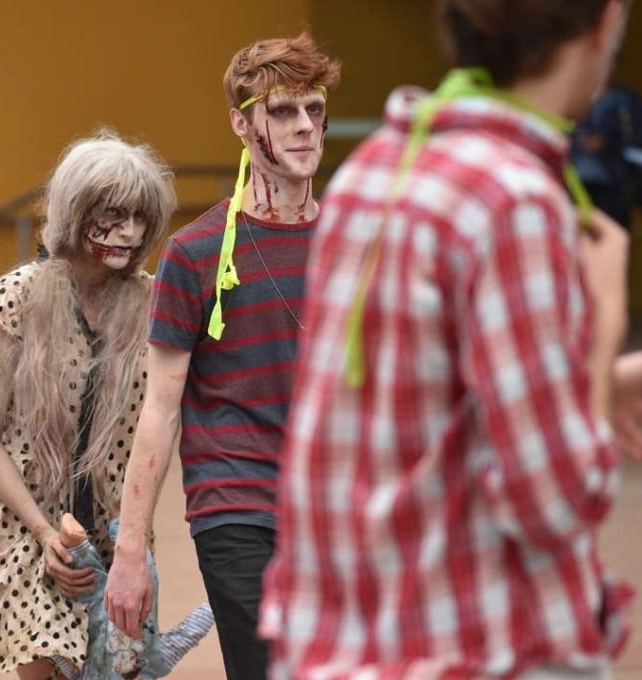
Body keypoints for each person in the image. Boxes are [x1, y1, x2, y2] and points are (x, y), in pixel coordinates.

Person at [259, 1, 635, 677]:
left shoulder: (375, 169)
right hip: (478, 650)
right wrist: (606, 320)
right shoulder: (515, 198)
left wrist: (584, 380)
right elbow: (555, 503)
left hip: (342, 651)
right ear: (604, 26)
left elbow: (413, 414)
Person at [105, 33, 340, 680]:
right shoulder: (196, 252)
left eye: (314, 111)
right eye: (283, 111)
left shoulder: (356, 240)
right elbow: (160, 407)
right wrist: (130, 552)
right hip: (237, 505)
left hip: (337, 503)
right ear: (243, 124)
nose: (303, 128)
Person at [0, 132, 176, 679]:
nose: (130, 233)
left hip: (114, 535)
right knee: (45, 662)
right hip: (20, 525)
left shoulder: (156, 302)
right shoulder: (12, 298)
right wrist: (45, 534)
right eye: (112, 215)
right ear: (76, 212)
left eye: (141, 218)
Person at [50, 513, 213, 680]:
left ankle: (77, 547)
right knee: (141, 566)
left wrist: (50, 649)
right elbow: (187, 635)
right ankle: (123, 524)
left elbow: (67, 665)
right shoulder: (154, 666)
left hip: (97, 612)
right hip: (138, 597)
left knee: (87, 584)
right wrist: (217, 607)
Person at [571, 69, 642, 229]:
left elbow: (635, 145)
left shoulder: (623, 100)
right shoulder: (573, 97)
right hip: (574, 182)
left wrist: (609, 143)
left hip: (614, 185)